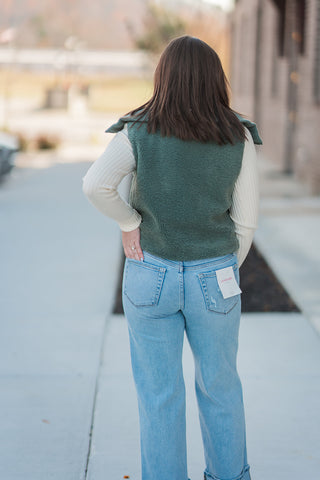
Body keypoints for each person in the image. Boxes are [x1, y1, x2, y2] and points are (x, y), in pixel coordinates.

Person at [82, 35, 262, 480]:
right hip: (214, 276)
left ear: (163, 77)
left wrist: (129, 223)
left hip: (150, 275)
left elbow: (95, 185)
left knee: (159, 394)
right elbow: (246, 222)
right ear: (214, 79)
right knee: (221, 387)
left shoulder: (138, 130)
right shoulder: (236, 133)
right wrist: (221, 265)